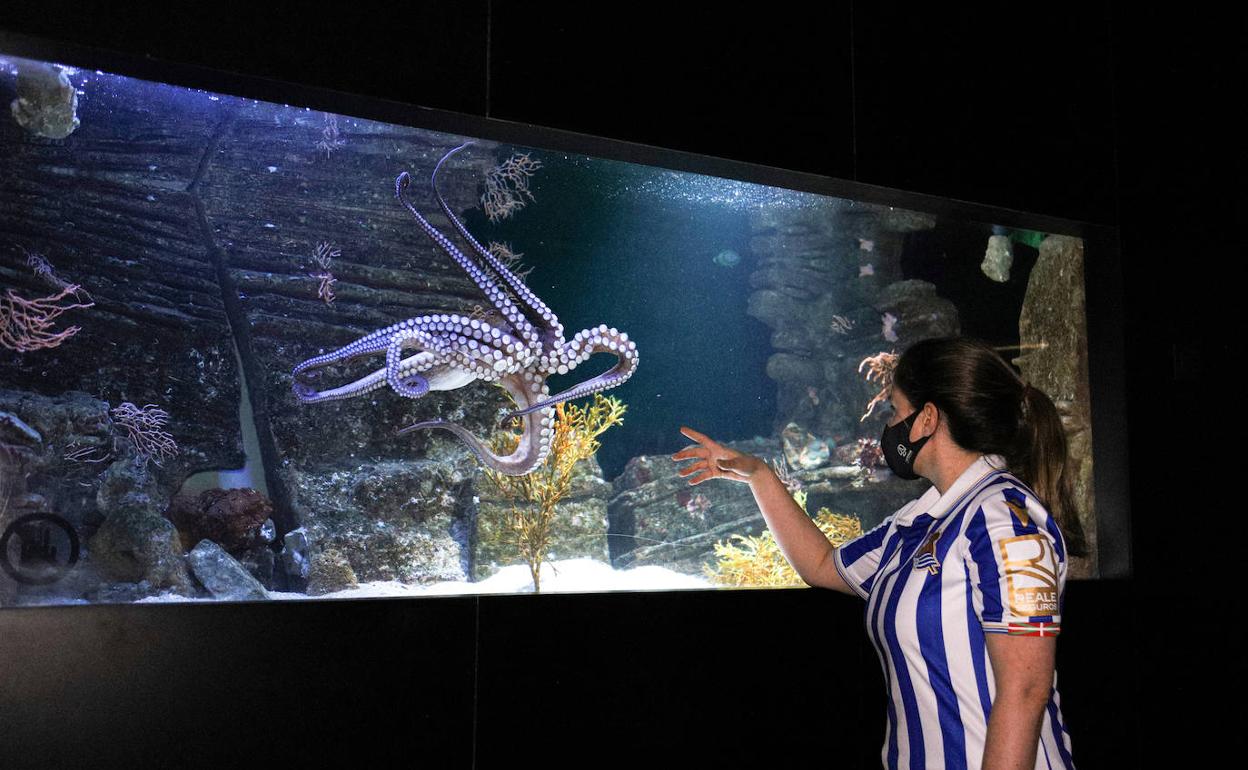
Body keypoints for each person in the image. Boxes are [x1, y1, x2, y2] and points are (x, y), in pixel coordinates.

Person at [673, 336, 1085, 770]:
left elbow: (1026, 687)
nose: (888, 425)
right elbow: (820, 566)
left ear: (927, 419)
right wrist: (759, 475)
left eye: (895, 410)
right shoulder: (920, 520)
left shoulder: (1004, 517)